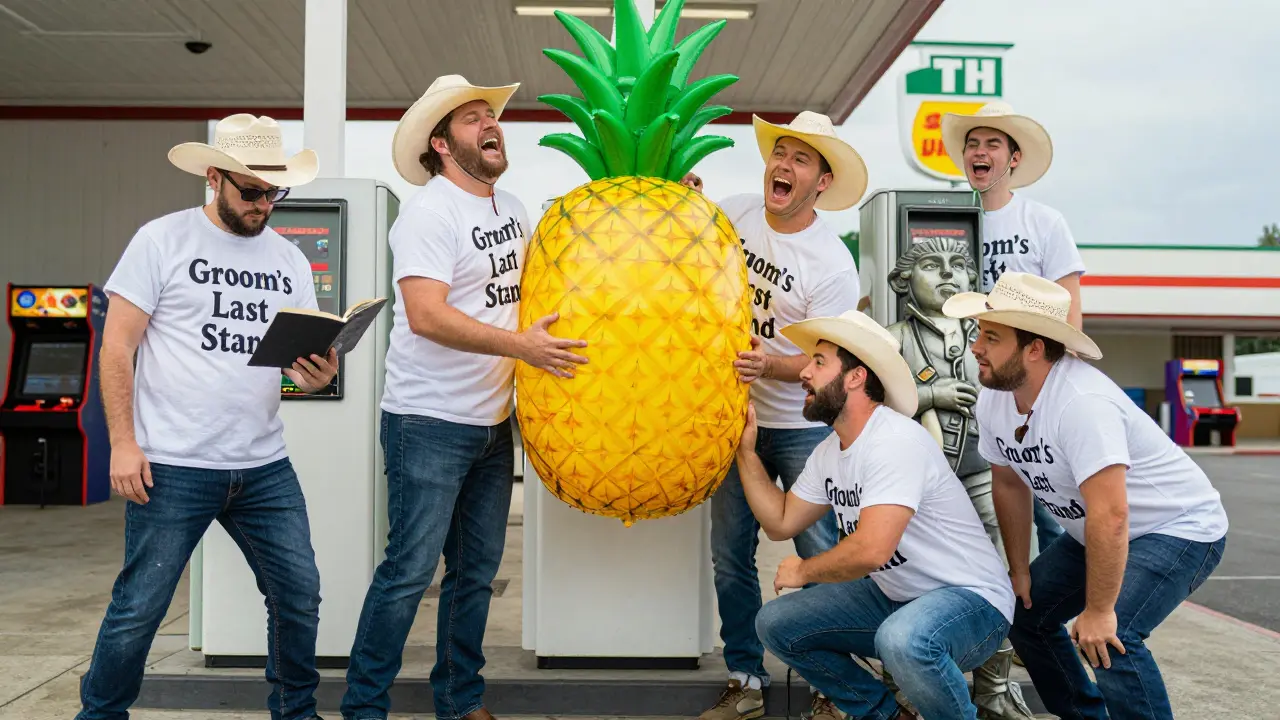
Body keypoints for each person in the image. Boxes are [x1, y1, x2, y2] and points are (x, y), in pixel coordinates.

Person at [340, 75, 589, 720]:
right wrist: (521, 351)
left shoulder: (512, 211)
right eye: (473, 118)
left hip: (491, 421)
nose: (491, 124)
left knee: (474, 575)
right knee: (408, 572)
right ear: (442, 143)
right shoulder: (429, 212)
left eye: (491, 115)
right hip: (427, 422)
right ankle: (363, 707)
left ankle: (459, 699)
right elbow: (424, 315)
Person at [78, 114, 337, 720]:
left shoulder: (290, 260)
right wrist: (123, 443)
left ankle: (296, 714)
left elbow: (294, 361)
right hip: (171, 465)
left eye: (274, 192)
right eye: (251, 191)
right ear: (214, 179)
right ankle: (99, 715)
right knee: (140, 605)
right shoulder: (161, 240)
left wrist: (314, 377)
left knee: (298, 596)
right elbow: (117, 346)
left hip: (263, 464)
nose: (263, 205)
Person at [942, 272, 1230, 720]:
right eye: (980, 332)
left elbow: (1112, 514)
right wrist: (1020, 570)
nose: (977, 345)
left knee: (1113, 635)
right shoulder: (995, 396)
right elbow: (1010, 483)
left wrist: (1098, 610)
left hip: (1178, 528)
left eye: (992, 336)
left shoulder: (1082, 403)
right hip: (1097, 529)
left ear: (1033, 348)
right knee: (1027, 616)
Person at [738, 309, 1016, 720]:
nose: (804, 374)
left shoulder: (893, 441)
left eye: (819, 362)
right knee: (777, 623)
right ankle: (884, 715)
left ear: (855, 377)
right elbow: (780, 521)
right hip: (896, 599)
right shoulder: (830, 452)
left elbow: (872, 549)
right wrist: (745, 451)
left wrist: (805, 571)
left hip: (972, 603)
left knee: (902, 640)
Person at [683, 111, 867, 720]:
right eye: (779, 153)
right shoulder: (733, 213)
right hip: (734, 420)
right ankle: (746, 678)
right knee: (730, 556)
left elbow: (828, 362)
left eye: (800, 160)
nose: (782, 166)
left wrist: (771, 365)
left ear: (821, 182)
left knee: (823, 556)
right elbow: (685, 239)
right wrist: (680, 199)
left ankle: (830, 688)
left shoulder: (832, 264)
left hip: (805, 426)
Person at [884, 238, 1036, 719]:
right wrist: (929, 395)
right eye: (931, 265)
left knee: (1003, 570)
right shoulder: (891, 339)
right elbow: (873, 407)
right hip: (917, 488)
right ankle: (906, 689)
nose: (947, 274)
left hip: (983, 473)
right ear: (901, 281)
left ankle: (993, 688)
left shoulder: (991, 337)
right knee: (909, 573)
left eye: (958, 266)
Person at [942, 100, 1077, 555]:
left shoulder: (1043, 222)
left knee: (1051, 512)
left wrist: (1058, 387)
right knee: (985, 510)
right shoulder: (947, 220)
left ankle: (1050, 617)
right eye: (972, 144)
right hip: (965, 387)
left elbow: (1070, 308)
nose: (980, 152)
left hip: (1033, 388)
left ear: (1013, 158)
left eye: (992, 144)